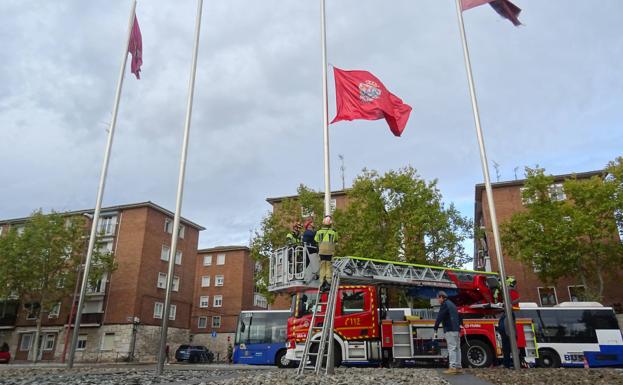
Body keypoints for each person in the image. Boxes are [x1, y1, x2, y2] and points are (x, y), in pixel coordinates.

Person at [433, 291, 462, 375]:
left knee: (451, 348)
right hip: (456, 329)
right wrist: (460, 327)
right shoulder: (452, 304)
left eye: (438, 298)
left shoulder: (445, 304)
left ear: (442, 297)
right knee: (457, 348)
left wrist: (435, 327)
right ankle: (458, 367)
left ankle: (452, 367)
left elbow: (440, 316)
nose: (438, 300)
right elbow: (459, 316)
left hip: (450, 329)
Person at [314, 215, 338, 292]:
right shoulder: (333, 232)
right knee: (328, 266)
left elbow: (316, 240)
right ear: (330, 224)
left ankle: (322, 284)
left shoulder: (319, 232)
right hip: (329, 252)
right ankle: (328, 282)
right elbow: (336, 240)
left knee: (322, 267)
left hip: (321, 252)